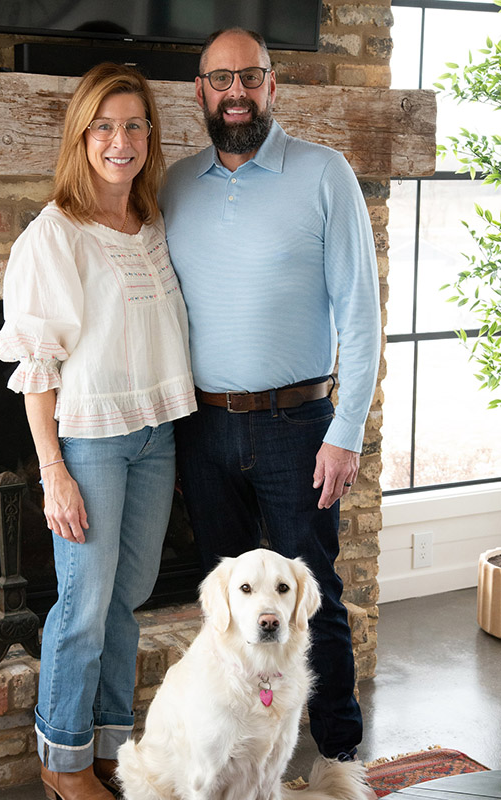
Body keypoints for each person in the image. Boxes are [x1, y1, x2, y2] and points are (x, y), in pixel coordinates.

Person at [160, 28, 381, 763]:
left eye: (249, 78)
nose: (235, 94)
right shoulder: (175, 184)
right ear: (200, 92)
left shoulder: (325, 174)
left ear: (272, 85)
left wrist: (347, 429)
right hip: (203, 425)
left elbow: (360, 311)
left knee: (312, 597)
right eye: (219, 80)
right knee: (234, 610)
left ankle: (340, 755)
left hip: (301, 426)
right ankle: (245, 753)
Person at [0, 63, 196, 800]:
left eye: (135, 124)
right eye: (105, 126)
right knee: (82, 603)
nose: (121, 140)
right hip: (90, 442)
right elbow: (37, 365)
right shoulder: (56, 236)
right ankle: (62, 760)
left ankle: (107, 744)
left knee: (127, 595)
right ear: (82, 138)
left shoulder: (150, 226)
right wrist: (53, 469)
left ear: (150, 135)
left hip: (154, 437)